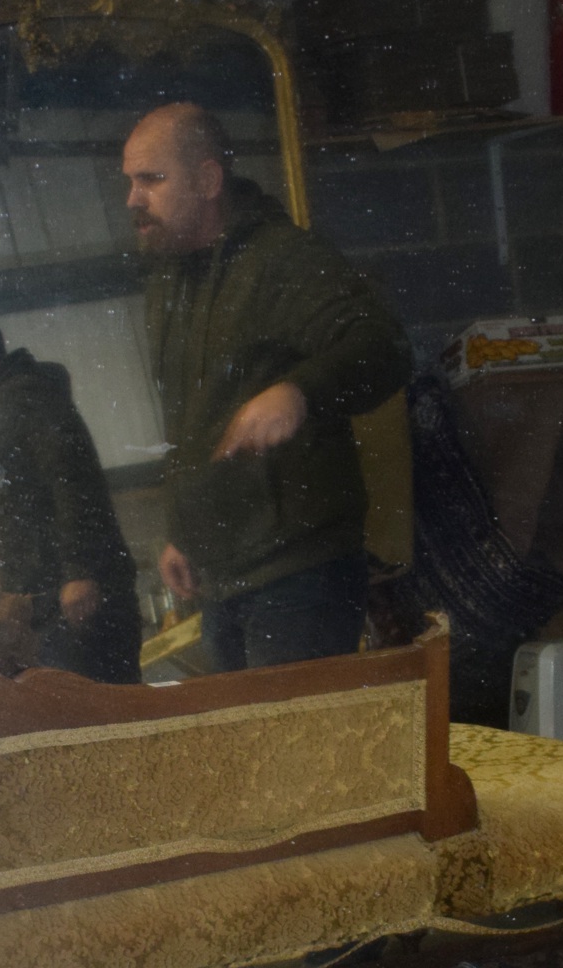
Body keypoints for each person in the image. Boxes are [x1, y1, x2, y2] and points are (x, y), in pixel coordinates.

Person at [121, 102, 410, 670]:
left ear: (207, 180)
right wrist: (184, 530)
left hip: (299, 572)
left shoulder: (282, 259)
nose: (133, 199)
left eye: (151, 179)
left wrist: (298, 392)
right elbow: (193, 421)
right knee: (243, 754)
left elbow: (384, 346)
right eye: (129, 181)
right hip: (223, 575)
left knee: (287, 755)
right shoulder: (170, 280)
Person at [0, 315, 142, 683]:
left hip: (70, 600)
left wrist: (78, 572)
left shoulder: (19, 397)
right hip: (62, 597)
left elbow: (71, 477)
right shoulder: (13, 399)